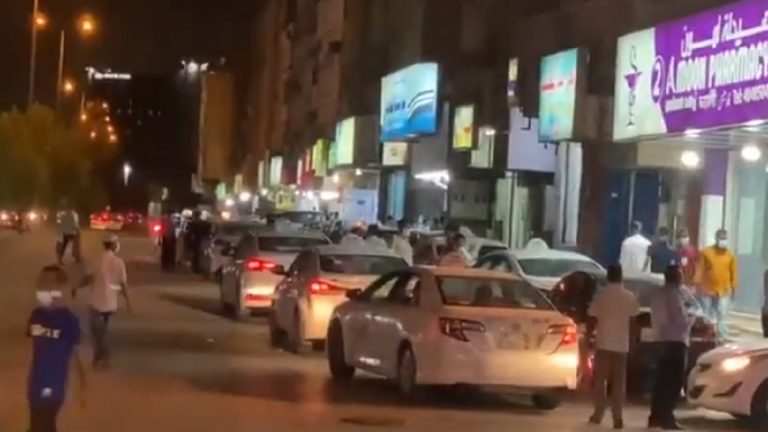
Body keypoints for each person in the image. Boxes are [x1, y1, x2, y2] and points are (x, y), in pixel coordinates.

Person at [26, 265, 86, 432]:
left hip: (53, 384)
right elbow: (33, 348)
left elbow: (76, 355)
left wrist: (82, 386)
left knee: (41, 424)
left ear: (60, 289)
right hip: (35, 383)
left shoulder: (68, 320)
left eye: (47, 283)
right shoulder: (36, 315)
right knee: (40, 424)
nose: (41, 287)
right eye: (40, 283)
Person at [587, 265, 640, 430]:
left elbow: (591, 318)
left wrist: (589, 337)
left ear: (608, 276)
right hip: (621, 345)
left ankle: (598, 413)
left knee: (600, 381)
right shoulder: (629, 297)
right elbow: (634, 322)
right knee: (619, 383)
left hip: (603, 343)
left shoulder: (601, 295)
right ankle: (618, 417)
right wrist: (633, 342)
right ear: (621, 276)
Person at [648, 265, 699, 430]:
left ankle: (655, 416)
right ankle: (666, 417)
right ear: (677, 277)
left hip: (660, 340)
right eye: (681, 275)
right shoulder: (674, 295)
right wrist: (692, 318)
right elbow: (681, 320)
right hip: (675, 342)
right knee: (673, 382)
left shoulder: (658, 293)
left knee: (660, 381)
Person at [76, 234, 131, 369]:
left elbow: (88, 279)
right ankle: (102, 357)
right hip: (111, 302)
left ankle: (100, 356)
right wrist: (128, 301)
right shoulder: (119, 262)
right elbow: (123, 284)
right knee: (104, 331)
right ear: (114, 245)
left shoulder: (96, 260)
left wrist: (76, 287)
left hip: (96, 301)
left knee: (96, 332)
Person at [695, 229, 738, 340]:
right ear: (716, 239)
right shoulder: (706, 252)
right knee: (707, 314)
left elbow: (734, 272)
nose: (723, 241)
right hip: (707, 289)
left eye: (724, 238)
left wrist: (734, 287)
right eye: (721, 238)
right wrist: (697, 284)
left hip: (724, 290)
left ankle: (722, 337)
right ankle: (707, 336)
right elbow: (700, 269)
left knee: (722, 314)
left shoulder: (730, 256)